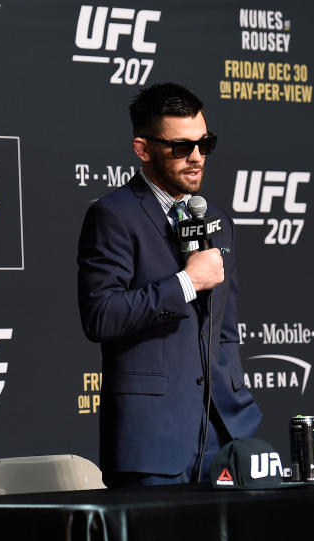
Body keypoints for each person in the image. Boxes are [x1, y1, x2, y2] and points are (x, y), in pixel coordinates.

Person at [77, 83, 261, 486]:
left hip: (224, 432)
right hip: (152, 439)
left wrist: (238, 405)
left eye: (204, 144)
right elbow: (101, 316)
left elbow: (224, 331)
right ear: (143, 149)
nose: (196, 158)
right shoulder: (113, 215)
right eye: (181, 147)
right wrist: (186, 282)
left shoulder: (220, 221)